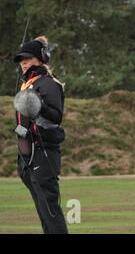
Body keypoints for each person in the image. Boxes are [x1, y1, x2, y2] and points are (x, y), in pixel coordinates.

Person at [13, 36, 68, 234]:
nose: (23, 62)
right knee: (43, 212)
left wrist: (40, 105)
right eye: (21, 59)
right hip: (27, 156)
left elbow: (56, 118)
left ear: (41, 58)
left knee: (50, 211)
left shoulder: (48, 84)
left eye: (28, 58)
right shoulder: (26, 85)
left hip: (43, 154)